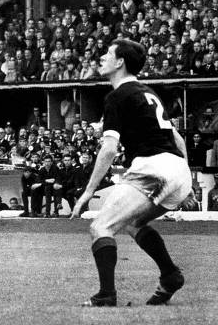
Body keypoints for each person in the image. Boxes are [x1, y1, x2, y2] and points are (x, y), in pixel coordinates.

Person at [71, 39, 192, 307]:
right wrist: (187, 182)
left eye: (107, 53)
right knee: (131, 222)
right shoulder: (147, 93)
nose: (101, 57)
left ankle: (106, 295)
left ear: (120, 62)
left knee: (100, 226)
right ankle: (170, 275)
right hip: (177, 171)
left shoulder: (117, 96)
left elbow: (109, 149)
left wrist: (88, 192)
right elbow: (177, 139)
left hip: (153, 169)